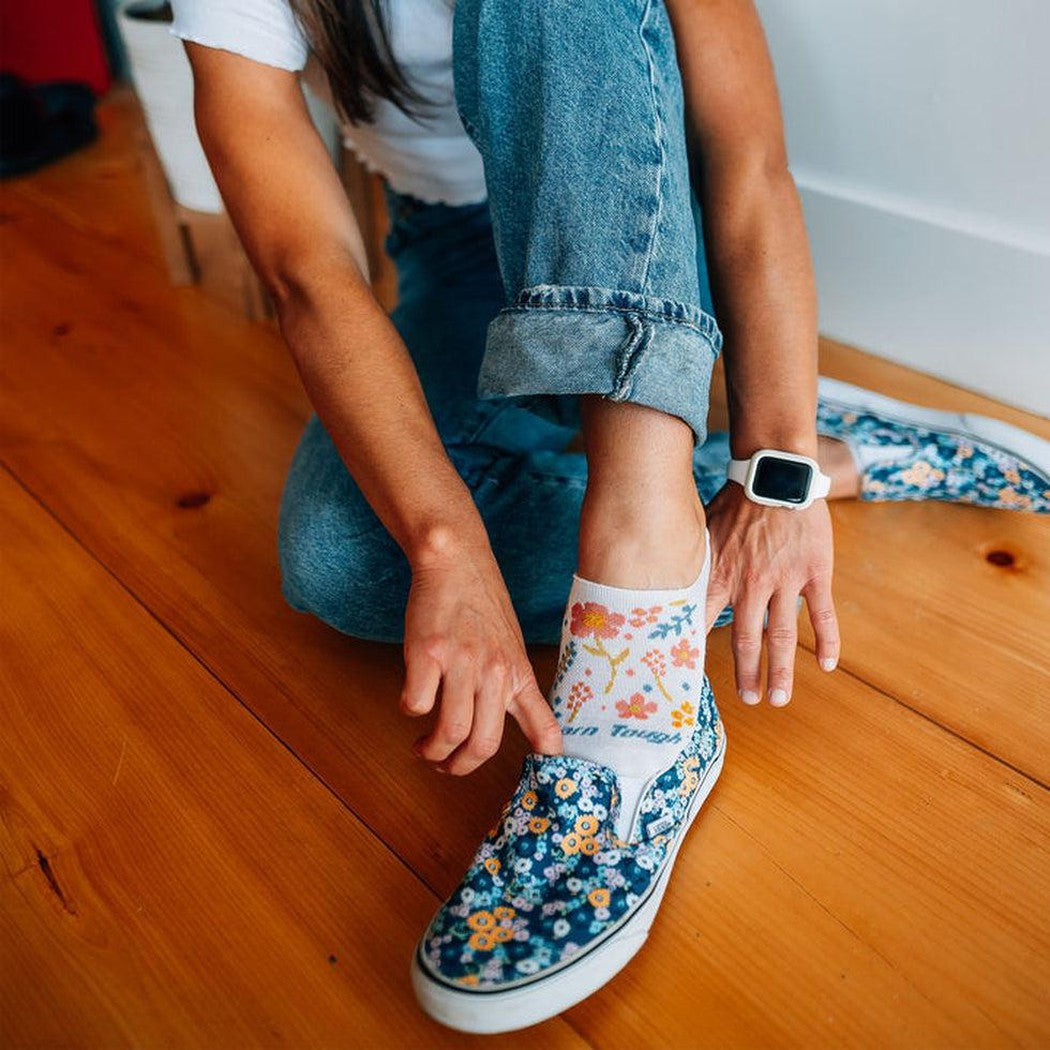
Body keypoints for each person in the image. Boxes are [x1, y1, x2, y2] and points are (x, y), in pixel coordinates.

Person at [174, 0, 1050, 1031]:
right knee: (346, 560)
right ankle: (826, 458)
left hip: (651, 238)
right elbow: (307, 271)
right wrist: (445, 546)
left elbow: (748, 166)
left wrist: (771, 463)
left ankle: (638, 623)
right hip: (460, 255)